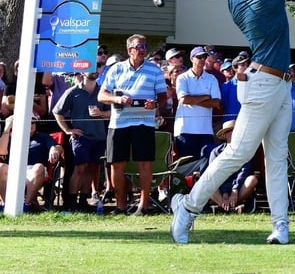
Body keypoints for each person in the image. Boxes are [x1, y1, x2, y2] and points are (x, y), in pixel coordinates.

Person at [171, 0, 295, 245]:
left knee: (277, 157)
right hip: (263, 84)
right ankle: (186, 208)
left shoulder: (236, 2)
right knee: (238, 153)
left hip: (279, 85)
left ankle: (280, 226)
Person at [100, 33, 167, 215]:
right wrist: (118, 99)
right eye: (139, 47)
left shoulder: (154, 70)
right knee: (116, 164)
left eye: (145, 47)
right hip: (119, 122)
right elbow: (102, 95)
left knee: (144, 164)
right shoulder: (116, 69)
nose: (143, 50)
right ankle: (120, 206)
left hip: (144, 122)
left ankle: (144, 206)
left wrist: (155, 104)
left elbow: (162, 96)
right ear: (130, 50)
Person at [52, 69, 108, 211]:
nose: (96, 70)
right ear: (83, 72)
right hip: (80, 137)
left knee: (91, 168)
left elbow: (112, 112)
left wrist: (101, 113)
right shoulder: (72, 91)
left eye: (99, 66)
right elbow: (56, 111)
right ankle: (71, 204)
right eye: (92, 67)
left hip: (99, 136)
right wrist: (68, 130)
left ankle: (83, 201)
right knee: (80, 168)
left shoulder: (103, 91)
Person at [0, 114, 62, 212]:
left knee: (39, 167)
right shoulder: (12, 137)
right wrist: (7, 129)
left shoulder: (43, 137)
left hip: (34, 171)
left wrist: (54, 148)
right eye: (27, 121)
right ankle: (5, 205)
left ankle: (26, 205)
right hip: (13, 169)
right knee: (1, 166)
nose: (31, 124)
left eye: (33, 122)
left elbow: (59, 147)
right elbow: (1, 152)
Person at [202, 119, 260, 213]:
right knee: (205, 181)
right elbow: (214, 173)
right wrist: (224, 192)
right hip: (220, 188)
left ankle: (227, 206)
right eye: (230, 131)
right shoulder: (215, 152)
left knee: (252, 179)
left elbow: (245, 171)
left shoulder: (245, 151)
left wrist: (235, 189)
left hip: (239, 187)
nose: (234, 133)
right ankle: (225, 205)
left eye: (237, 130)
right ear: (224, 135)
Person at [174, 46, 221, 160]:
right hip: (185, 130)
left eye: (204, 57)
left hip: (206, 131)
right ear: (191, 59)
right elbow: (184, 100)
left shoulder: (211, 78)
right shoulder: (182, 78)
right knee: (186, 167)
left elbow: (216, 103)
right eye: (198, 57)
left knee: (205, 167)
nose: (202, 59)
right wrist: (205, 97)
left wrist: (193, 100)